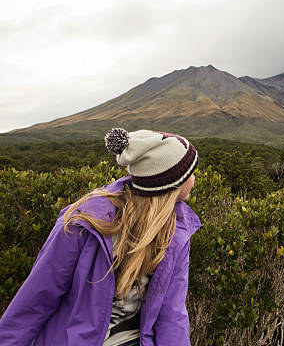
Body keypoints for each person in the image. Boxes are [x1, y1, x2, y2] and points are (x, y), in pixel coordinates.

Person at [0, 128, 201, 346]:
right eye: (190, 173)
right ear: (171, 183)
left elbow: (172, 315)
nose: (194, 178)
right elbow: (35, 299)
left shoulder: (178, 229)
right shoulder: (84, 222)